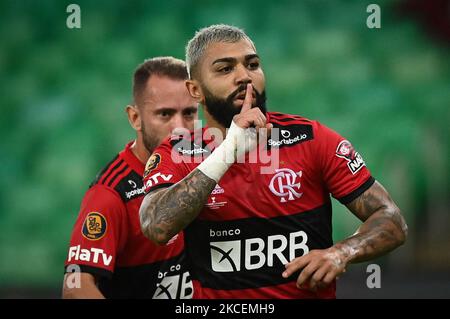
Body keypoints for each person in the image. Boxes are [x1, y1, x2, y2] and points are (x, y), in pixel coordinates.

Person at [139, 25, 408, 299]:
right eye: (225, 69)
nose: (244, 77)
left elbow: (393, 221)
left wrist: (341, 252)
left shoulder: (312, 139)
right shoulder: (179, 151)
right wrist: (226, 153)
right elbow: (156, 226)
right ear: (195, 90)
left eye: (252, 64)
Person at [62, 57, 198, 299]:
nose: (180, 128)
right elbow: (75, 287)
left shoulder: (209, 169)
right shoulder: (111, 193)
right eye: (165, 114)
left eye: (189, 113)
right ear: (135, 118)